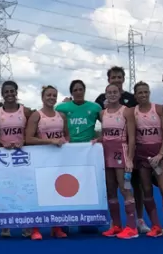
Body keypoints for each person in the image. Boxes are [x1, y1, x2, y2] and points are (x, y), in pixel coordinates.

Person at [57, 78, 105, 235]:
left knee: (87, 185)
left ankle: (88, 220)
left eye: (81, 89)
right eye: (75, 90)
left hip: (88, 152)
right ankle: (65, 220)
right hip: (68, 151)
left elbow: (109, 123)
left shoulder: (95, 107)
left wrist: (100, 138)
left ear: (84, 90)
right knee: (67, 184)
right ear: (71, 93)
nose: (78, 92)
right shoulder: (62, 107)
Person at [25, 85, 70, 240]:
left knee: (56, 192)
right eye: (48, 95)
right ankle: (35, 228)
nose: (51, 97)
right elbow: (28, 138)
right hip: (41, 159)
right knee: (38, 194)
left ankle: (56, 227)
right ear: (42, 97)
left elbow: (67, 137)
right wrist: (50, 141)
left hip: (58, 160)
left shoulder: (61, 116)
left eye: (54, 95)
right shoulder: (36, 115)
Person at [129, 82, 163, 237]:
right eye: (140, 93)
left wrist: (160, 154)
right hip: (142, 156)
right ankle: (155, 226)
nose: (143, 95)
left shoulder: (159, 109)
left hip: (159, 155)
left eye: (146, 92)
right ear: (136, 95)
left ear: (149, 93)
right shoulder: (133, 112)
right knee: (146, 190)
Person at [100, 83, 139, 239]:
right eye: (109, 92)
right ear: (106, 94)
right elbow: (106, 134)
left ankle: (132, 227)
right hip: (107, 154)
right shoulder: (103, 113)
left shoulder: (127, 111)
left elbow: (132, 137)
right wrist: (98, 139)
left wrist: (129, 159)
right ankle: (116, 226)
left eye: (115, 92)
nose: (112, 95)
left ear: (119, 94)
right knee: (110, 190)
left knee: (125, 189)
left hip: (121, 154)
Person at [0, 81, 29, 239]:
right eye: (6, 92)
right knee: (5, 191)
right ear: (2, 94)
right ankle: (5, 225)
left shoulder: (26, 111)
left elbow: (31, 134)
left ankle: (26, 224)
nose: (9, 94)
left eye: (12, 91)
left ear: (16, 92)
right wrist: (2, 143)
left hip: (22, 156)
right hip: (4, 157)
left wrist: (25, 141)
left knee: (23, 190)